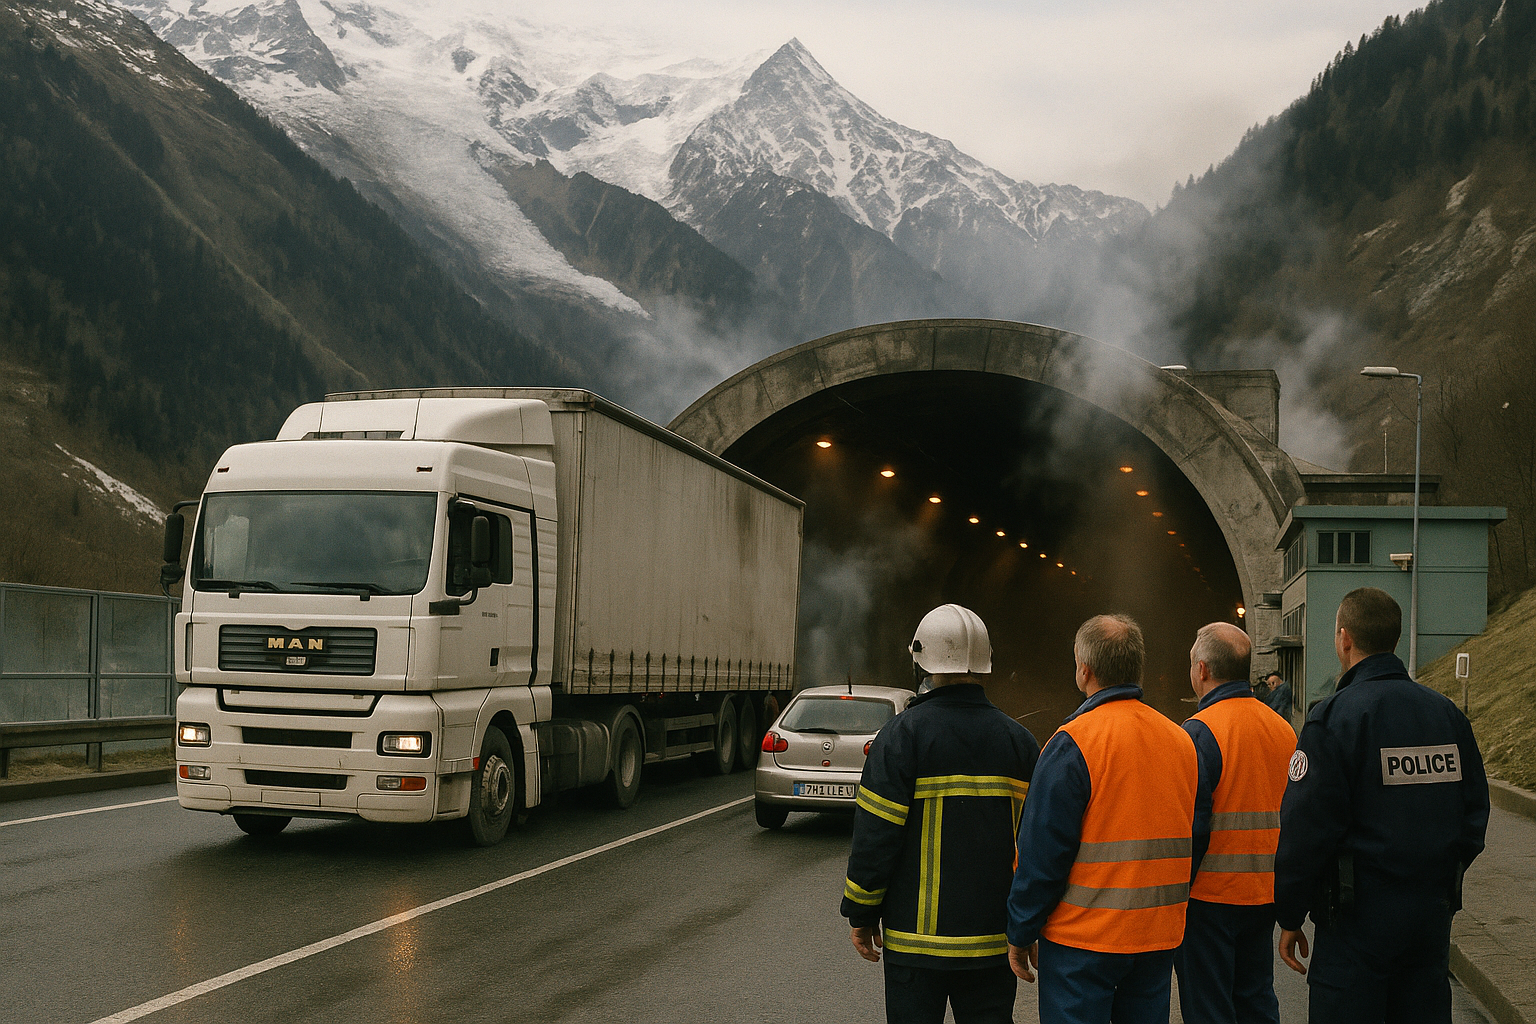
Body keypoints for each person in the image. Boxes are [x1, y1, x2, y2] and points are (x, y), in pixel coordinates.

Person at [1274, 587, 1490, 1023]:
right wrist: (1438, 877)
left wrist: (1290, 913)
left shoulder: (1334, 719)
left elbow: (1306, 829)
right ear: (1393, 640)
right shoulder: (1446, 715)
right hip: (1429, 920)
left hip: (1355, 926)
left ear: (1344, 638)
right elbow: (1475, 813)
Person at [840, 603, 1040, 1024]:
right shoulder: (1020, 743)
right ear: (984, 665)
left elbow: (876, 838)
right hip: (992, 945)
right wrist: (1028, 924)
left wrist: (861, 912)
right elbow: (1036, 847)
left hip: (915, 949)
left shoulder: (900, 737)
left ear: (921, 662)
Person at [1005, 614, 1199, 1024]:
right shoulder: (1181, 741)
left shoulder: (1072, 743)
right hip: (1156, 937)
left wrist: (1021, 931)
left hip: (1083, 942)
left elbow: (1042, 854)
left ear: (1084, 670)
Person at [1174, 623, 1297, 1024]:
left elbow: (1192, 826)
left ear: (1202, 670)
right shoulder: (1284, 730)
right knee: (1256, 997)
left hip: (1209, 899)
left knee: (1209, 1008)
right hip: (1264, 893)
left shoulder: (1198, 732)